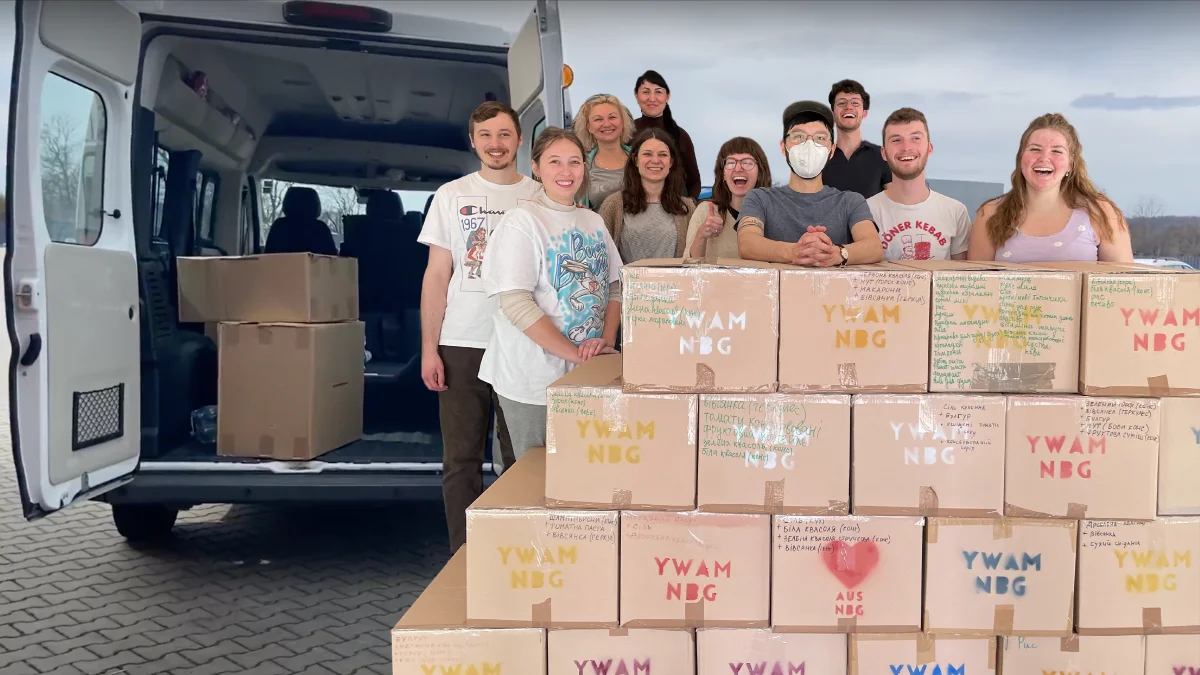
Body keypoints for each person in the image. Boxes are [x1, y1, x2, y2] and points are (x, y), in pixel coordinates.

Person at [417, 101, 538, 553]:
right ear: (473, 141)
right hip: (462, 342)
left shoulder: (539, 194)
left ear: (520, 140)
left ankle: (515, 556)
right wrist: (430, 348)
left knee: (520, 462)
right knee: (462, 460)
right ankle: (464, 561)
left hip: (522, 343)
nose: (495, 144)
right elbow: (436, 275)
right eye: (485, 135)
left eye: (504, 134)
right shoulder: (452, 195)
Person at [478, 127, 623, 460]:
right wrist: (576, 354)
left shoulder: (593, 221)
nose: (566, 171)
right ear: (536, 167)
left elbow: (614, 286)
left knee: (575, 474)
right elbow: (516, 303)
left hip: (585, 376)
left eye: (574, 162)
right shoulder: (522, 222)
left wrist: (604, 345)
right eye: (554, 161)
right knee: (532, 479)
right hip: (533, 381)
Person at [967, 113, 1133, 263]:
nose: (1044, 158)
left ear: (1071, 165)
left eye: (1057, 151)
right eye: (1035, 149)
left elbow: (1124, 288)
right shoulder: (990, 214)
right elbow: (977, 289)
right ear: (1021, 159)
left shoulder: (1101, 212)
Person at [736, 100, 883, 267]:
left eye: (820, 138)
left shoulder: (851, 202)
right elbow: (747, 243)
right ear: (783, 147)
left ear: (832, 150)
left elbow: (874, 247)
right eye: (798, 136)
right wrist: (797, 252)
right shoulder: (759, 198)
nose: (809, 145)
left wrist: (837, 253)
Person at [868, 108, 971, 261]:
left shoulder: (956, 212)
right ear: (883, 153)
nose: (906, 148)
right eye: (896, 140)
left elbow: (960, 280)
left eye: (915, 138)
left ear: (929, 148)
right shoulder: (865, 211)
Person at [598, 127, 696, 263]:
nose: (655, 160)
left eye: (662, 154)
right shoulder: (613, 205)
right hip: (628, 284)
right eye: (647, 154)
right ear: (636, 160)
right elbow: (600, 257)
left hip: (675, 284)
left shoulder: (687, 208)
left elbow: (695, 258)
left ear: (671, 162)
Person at [684, 136, 773, 259]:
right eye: (731, 163)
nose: (738, 168)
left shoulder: (773, 215)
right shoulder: (706, 211)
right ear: (723, 175)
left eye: (747, 163)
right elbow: (687, 265)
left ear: (759, 173)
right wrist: (702, 234)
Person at [632, 70, 702, 200]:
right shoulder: (627, 132)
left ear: (667, 96)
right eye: (646, 92)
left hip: (675, 210)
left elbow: (695, 182)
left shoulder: (680, 135)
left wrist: (688, 207)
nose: (652, 98)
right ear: (636, 95)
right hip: (635, 208)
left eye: (658, 92)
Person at [822, 79, 891, 200]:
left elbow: (896, 206)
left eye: (855, 103)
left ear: (864, 113)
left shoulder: (883, 156)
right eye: (842, 103)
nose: (848, 107)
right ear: (833, 113)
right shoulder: (819, 158)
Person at [572, 93, 635, 211]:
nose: (606, 124)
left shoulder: (642, 159)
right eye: (598, 119)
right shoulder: (581, 168)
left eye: (612, 117)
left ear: (622, 122)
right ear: (589, 127)